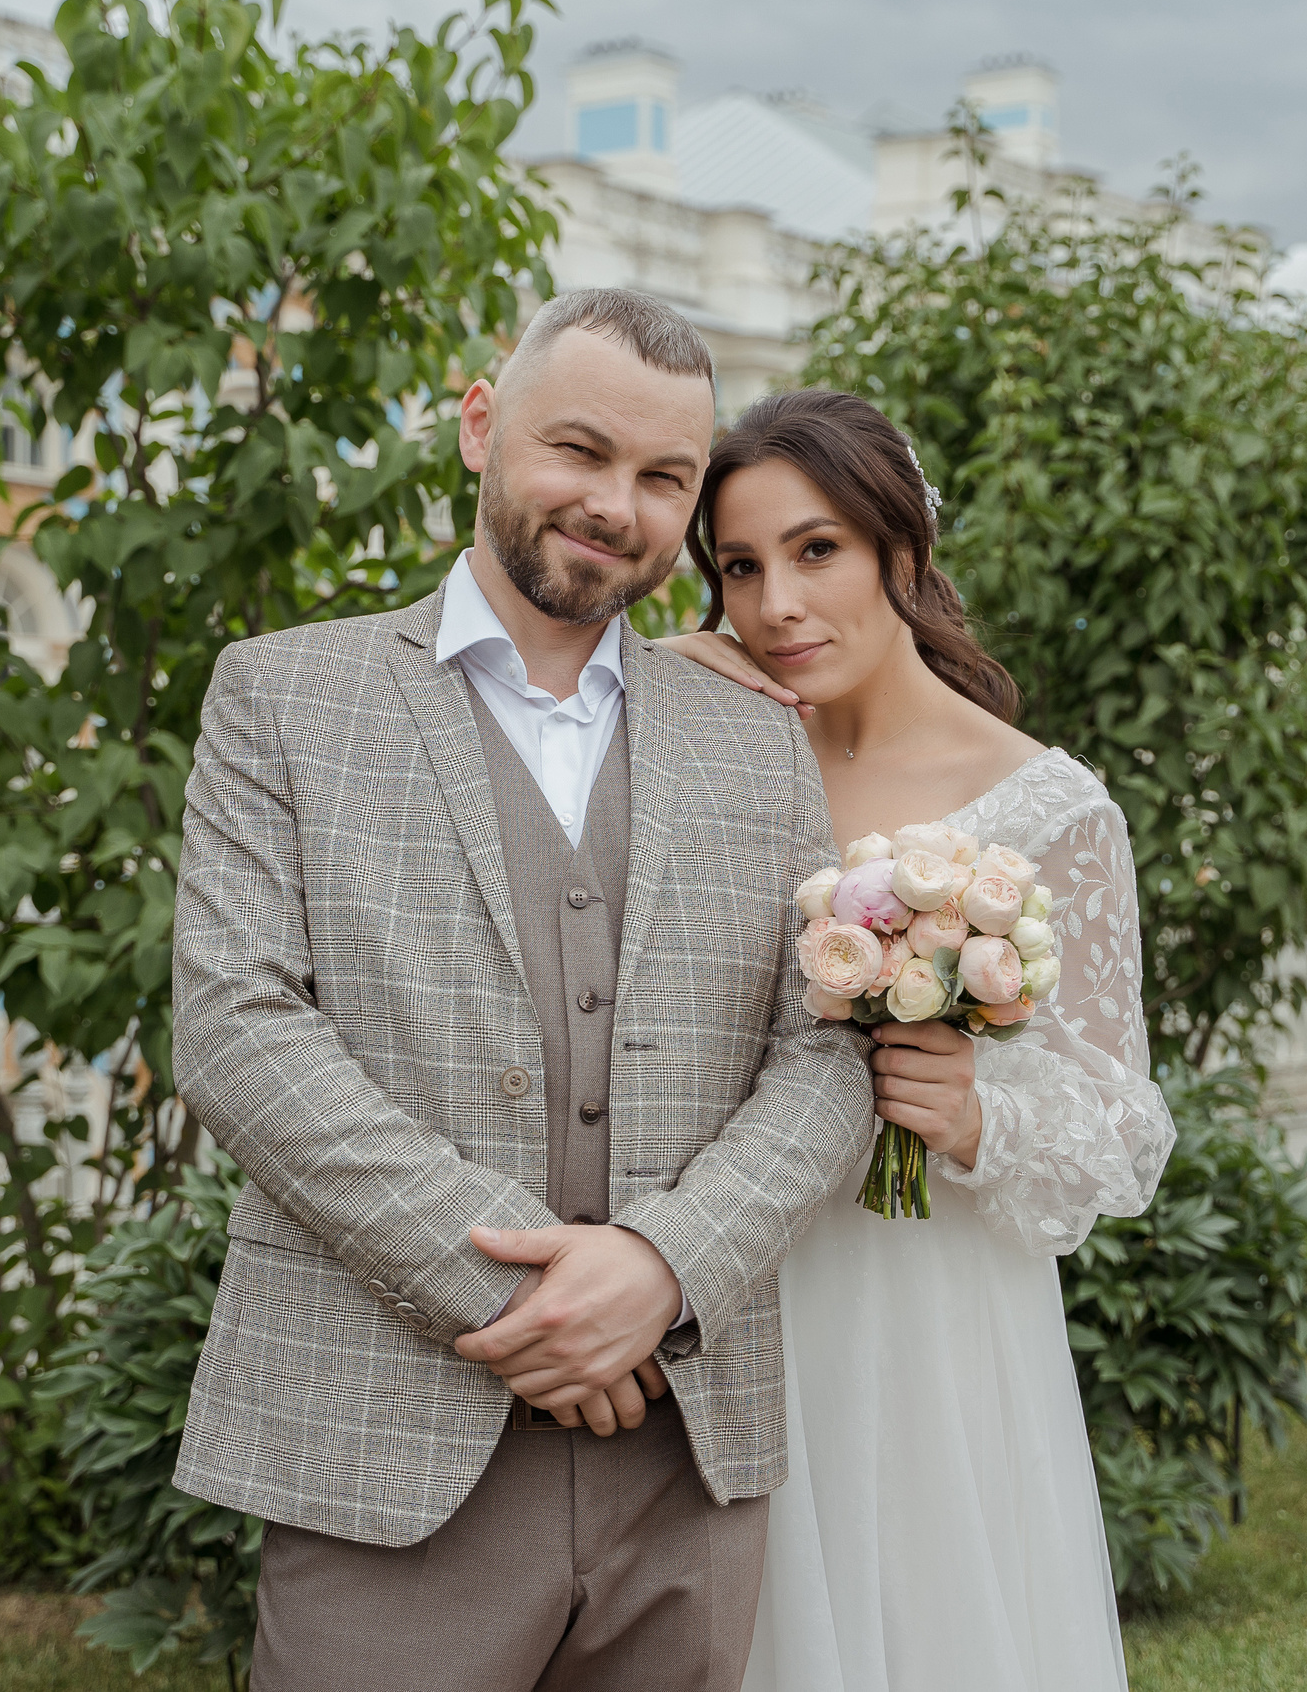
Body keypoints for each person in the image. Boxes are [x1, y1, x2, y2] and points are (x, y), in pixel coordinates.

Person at [170, 292, 876, 1692]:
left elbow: (825, 1058)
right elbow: (238, 1033)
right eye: (580, 450)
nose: (617, 505)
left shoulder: (758, 739)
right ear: (481, 426)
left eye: (664, 476)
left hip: (687, 1450)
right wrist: (531, 1302)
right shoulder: (284, 696)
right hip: (384, 1440)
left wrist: (663, 1268)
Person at [663, 388, 1178, 1692]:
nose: (776, 604)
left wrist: (980, 1113)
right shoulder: (718, 750)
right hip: (725, 1279)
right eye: (740, 566)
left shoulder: (1049, 806)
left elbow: (1124, 1132)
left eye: (817, 549)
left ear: (902, 545)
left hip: (924, 1308)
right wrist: (657, 677)